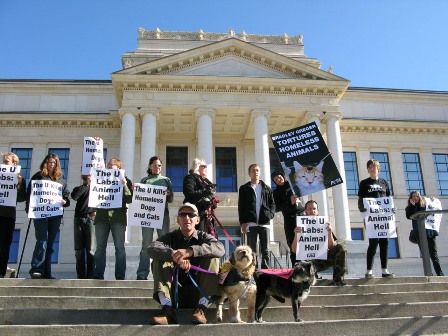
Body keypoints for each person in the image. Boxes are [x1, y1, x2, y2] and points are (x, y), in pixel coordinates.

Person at [148, 203, 224, 325]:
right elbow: (151, 249)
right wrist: (174, 255)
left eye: (191, 215)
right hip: (174, 294)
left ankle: (201, 309)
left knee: (213, 258)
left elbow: (220, 249)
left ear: (197, 219)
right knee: (158, 259)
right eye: (183, 214)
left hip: (199, 293)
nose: (187, 218)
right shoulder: (169, 237)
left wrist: (190, 252)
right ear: (178, 219)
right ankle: (167, 311)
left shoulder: (204, 236)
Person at [26, 153, 71, 279]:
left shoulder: (61, 180)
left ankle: (47, 271)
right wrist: (28, 210)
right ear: (45, 163)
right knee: (42, 240)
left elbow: (67, 198)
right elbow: (30, 193)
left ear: (57, 165)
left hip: (55, 215)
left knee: (50, 244)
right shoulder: (38, 177)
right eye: (49, 162)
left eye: (54, 163)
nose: (51, 164)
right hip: (40, 214)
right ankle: (37, 269)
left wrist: (65, 201)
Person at [93, 158, 132, 280]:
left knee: (119, 247)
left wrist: (124, 185)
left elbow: (129, 199)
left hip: (118, 218)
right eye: (108, 165)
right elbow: (94, 197)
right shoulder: (99, 179)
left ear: (119, 168)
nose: (109, 166)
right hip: (101, 217)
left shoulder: (126, 181)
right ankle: (98, 275)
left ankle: (120, 276)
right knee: (99, 248)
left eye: (113, 165)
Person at [291, 200, 347, 286]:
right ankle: (311, 275)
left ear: (317, 211)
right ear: (305, 211)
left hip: (322, 259)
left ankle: (338, 280)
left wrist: (329, 233)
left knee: (341, 248)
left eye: (314, 208)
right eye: (309, 209)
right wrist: (296, 235)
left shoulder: (323, 225)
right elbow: (294, 250)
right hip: (306, 262)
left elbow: (332, 247)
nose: (312, 210)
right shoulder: (300, 226)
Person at [136, 156, 174, 280]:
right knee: (146, 244)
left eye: (159, 165)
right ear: (150, 166)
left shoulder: (166, 180)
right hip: (147, 215)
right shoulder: (144, 180)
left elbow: (171, 199)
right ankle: (142, 272)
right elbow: (139, 199)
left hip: (163, 214)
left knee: (164, 244)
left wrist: (168, 194)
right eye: (155, 165)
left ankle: (165, 272)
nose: (157, 167)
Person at [358, 159, 394, 278]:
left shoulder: (384, 182)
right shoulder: (364, 183)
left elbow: (389, 198)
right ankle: (369, 271)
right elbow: (361, 199)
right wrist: (362, 208)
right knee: (373, 242)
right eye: (370, 167)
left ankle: (384, 270)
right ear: (368, 169)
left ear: (378, 168)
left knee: (385, 242)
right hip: (371, 217)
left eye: (374, 166)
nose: (372, 169)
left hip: (384, 218)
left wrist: (392, 209)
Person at [238, 163, 275, 269]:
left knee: (266, 249)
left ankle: (266, 269)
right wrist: (242, 222)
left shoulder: (266, 188)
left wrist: (270, 215)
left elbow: (272, 204)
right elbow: (241, 206)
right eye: (253, 170)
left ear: (260, 172)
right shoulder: (244, 188)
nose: (256, 172)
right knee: (252, 249)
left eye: (257, 170)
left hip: (264, 223)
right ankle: (253, 269)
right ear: (249, 173)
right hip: (250, 223)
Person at [0, 153, 26, 278]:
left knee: (5, 244)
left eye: (7, 162)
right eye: (4, 161)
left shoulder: (20, 178)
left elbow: (21, 198)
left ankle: (1, 271)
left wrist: (19, 183)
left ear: (14, 164)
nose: (4, 163)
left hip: (8, 215)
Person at [405, 191, 444, 276]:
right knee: (424, 253)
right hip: (419, 233)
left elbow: (433, 208)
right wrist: (413, 206)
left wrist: (433, 200)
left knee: (433, 253)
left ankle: (439, 273)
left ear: (420, 197)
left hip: (429, 232)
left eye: (417, 196)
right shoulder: (410, 207)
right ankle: (429, 273)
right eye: (414, 196)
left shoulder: (425, 205)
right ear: (411, 198)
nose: (416, 198)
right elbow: (409, 216)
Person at [271, 170, 304, 265]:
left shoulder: (294, 185)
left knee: (304, 241)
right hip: (289, 218)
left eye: (279, 177)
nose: (278, 180)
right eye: (275, 179)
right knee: (291, 241)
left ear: (283, 176)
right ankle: (295, 266)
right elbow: (276, 208)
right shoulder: (276, 193)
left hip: (301, 215)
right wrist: (289, 202)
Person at [71, 174, 96, 279]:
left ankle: (91, 274)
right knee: (79, 249)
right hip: (79, 219)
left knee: (91, 249)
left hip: (91, 219)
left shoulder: (98, 190)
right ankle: (80, 275)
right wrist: (86, 185)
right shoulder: (79, 188)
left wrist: (96, 212)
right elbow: (74, 196)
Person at [183, 158, 216, 232]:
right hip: (195, 211)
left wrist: (208, 201)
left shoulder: (206, 181)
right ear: (197, 166)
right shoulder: (190, 177)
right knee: (197, 235)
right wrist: (205, 193)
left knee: (209, 235)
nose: (205, 168)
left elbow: (211, 192)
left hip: (206, 213)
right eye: (203, 166)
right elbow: (189, 193)